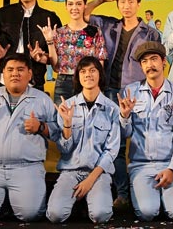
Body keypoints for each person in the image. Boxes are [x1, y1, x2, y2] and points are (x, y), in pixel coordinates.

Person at [83, 0, 161, 209]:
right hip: (110, 91)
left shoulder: (150, 33)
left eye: (130, 2)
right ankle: (122, 193)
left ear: (139, 4)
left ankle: (142, 191)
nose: (126, 6)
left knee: (139, 142)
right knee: (115, 146)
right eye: (122, 2)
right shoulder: (110, 25)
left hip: (136, 92)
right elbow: (85, 14)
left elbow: (155, 65)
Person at [0, 53, 58, 222]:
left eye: (20, 69)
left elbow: (58, 133)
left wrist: (40, 127)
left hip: (26, 168)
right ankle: (3, 202)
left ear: (29, 74)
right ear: (3, 74)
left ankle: (13, 201)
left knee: (30, 214)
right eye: (10, 70)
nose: (15, 74)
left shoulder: (43, 99)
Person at [118, 41, 173, 221]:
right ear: (141, 66)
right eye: (144, 61)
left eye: (154, 59)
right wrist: (124, 116)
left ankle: (168, 197)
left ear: (164, 61)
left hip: (169, 163)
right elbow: (125, 134)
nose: (149, 65)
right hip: (141, 166)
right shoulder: (131, 92)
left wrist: (172, 169)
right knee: (147, 213)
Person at [47, 56, 120, 224]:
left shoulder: (112, 109)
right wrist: (67, 124)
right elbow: (64, 149)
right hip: (70, 171)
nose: (88, 75)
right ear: (78, 77)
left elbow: (111, 151)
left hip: (98, 172)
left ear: (100, 75)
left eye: (92, 70)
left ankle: (91, 198)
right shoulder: (67, 106)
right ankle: (78, 203)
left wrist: (90, 180)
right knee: (55, 215)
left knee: (101, 215)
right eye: (83, 71)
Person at [0, 0, 62, 91]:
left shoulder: (49, 18)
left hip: (35, 81)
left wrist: (43, 58)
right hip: (6, 81)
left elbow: (57, 57)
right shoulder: (2, 14)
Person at [37, 0, 107, 104]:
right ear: (66, 6)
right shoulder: (58, 32)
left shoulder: (94, 31)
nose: (74, 8)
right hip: (64, 83)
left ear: (85, 6)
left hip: (88, 82)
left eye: (78, 4)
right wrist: (49, 41)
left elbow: (100, 64)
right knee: (62, 115)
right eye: (70, 4)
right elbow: (56, 67)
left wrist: (95, 84)